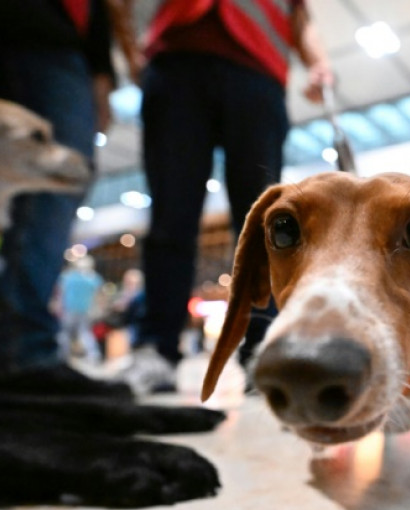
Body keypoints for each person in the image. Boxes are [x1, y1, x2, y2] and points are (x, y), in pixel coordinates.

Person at [116, 0, 334, 394]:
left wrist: (320, 62)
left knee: (263, 227)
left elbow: (301, 19)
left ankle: (261, 352)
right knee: (170, 217)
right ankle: (156, 351)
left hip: (259, 75)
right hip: (176, 63)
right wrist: (131, 50)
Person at [0, 0, 131, 397]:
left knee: (17, 208)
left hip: (48, 25)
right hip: (17, 27)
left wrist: (101, 67)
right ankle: (14, 354)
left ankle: (12, 349)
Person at [58, 256, 104, 364]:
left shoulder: (68, 277)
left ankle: (61, 356)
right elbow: (99, 295)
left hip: (69, 309)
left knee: (64, 333)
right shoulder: (94, 278)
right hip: (85, 310)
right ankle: (93, 356)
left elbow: (60, 292)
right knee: (85, 333)